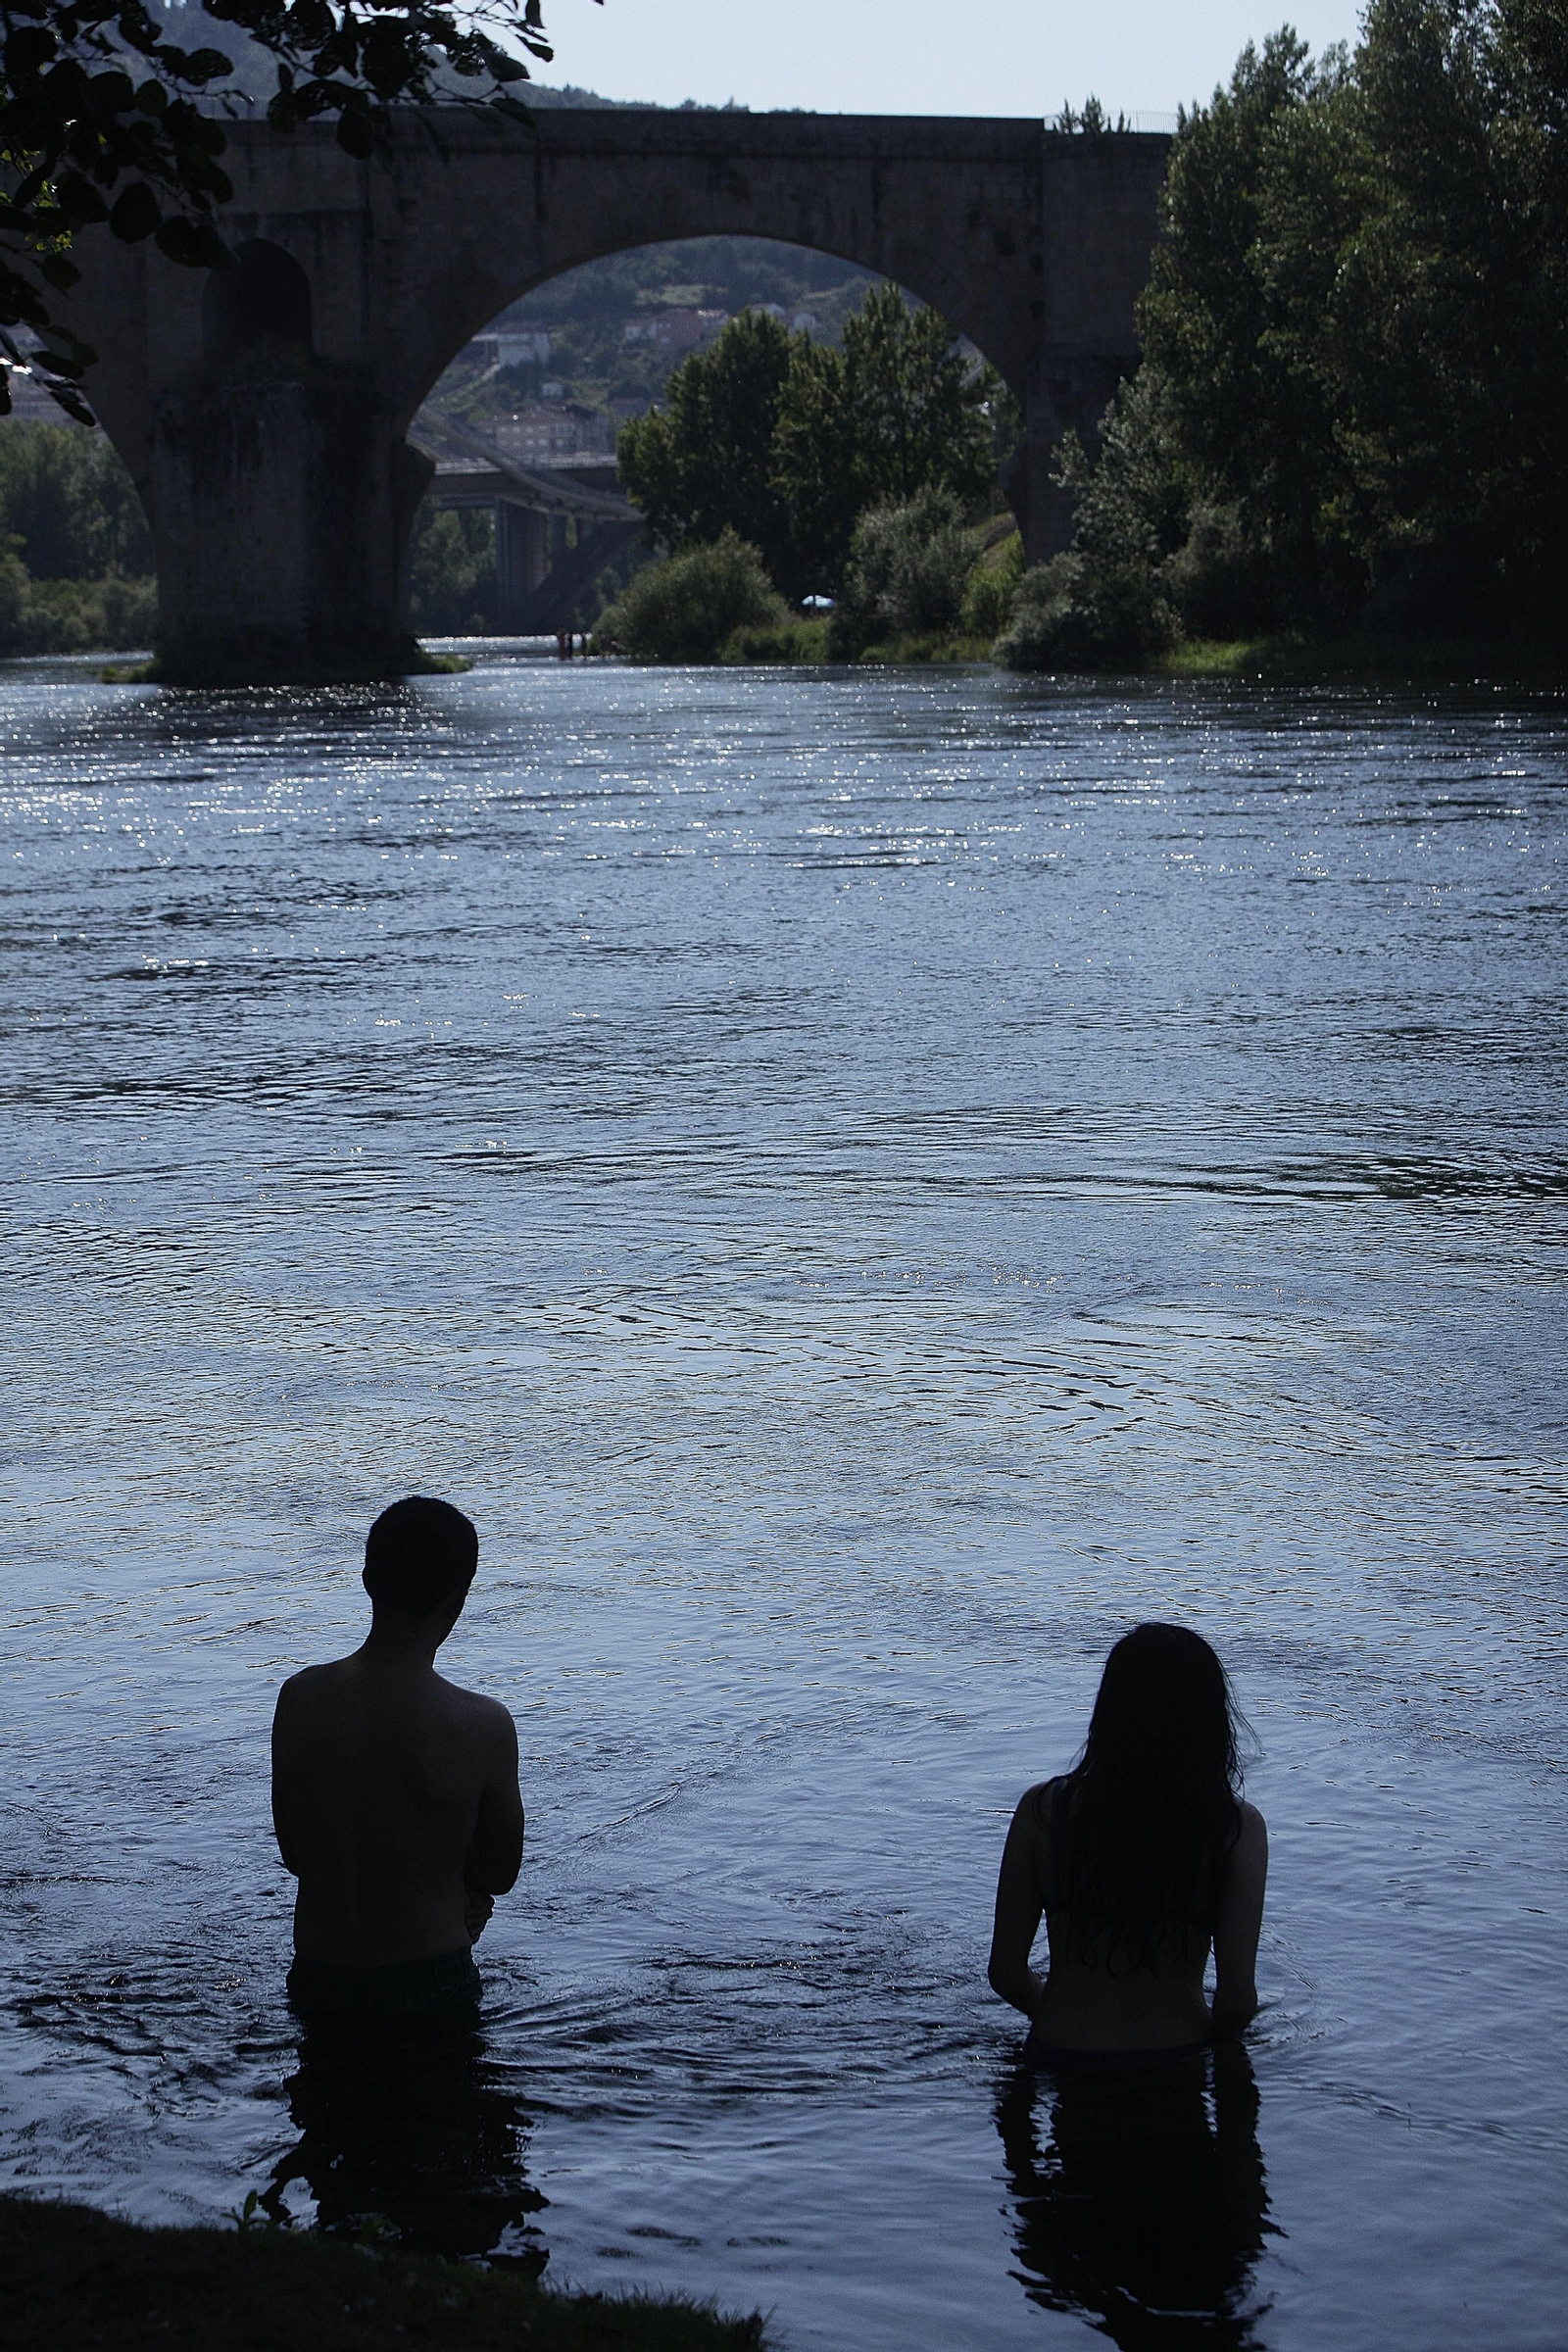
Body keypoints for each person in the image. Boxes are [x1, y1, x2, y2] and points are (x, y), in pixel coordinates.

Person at [271, 1495, 524, 2026]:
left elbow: (296, 1852)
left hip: (319, 1976)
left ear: (367, 1579)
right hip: (431, 1977)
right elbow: (499, 1872)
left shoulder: (299, 1700)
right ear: (457, 1600)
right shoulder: (482, 1724)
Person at [988, 1623, 1267, 2065]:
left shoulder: (1042, 1811)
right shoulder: (1233, 1827)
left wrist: (1065, 2017)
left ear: (1109, 1711)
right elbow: (1236, 2000)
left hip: (1059, 2049)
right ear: (1211, 1720)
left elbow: (1005, 1973)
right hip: (1177, 2057)